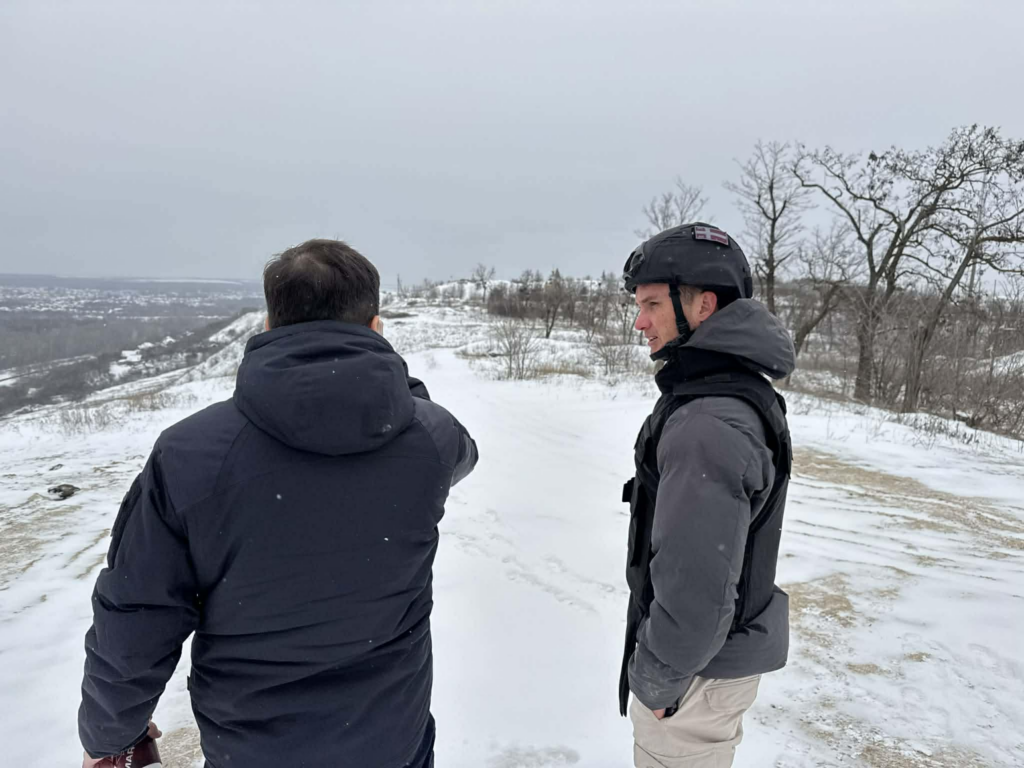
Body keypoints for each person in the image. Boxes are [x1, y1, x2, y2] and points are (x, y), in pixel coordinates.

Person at [79, 239, 478, 768]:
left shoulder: (190, 454)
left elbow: (137, 615)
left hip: (253, 747)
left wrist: (110, 738)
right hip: (392, 739)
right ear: (376, 327)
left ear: (268, 324)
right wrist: (389, 388)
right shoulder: (433, 439)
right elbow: (459, 454)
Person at [618, 223, 795, 767]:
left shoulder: (707, 421)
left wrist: (657, 677)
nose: (640, 321)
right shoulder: (725, 393)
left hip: (693, 678)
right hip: (706, 668)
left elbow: (697, 586)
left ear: (703, 306)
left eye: (651, 304)